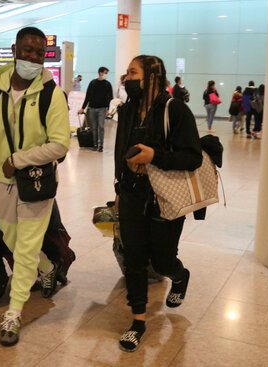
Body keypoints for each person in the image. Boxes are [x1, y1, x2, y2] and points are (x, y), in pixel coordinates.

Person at [0, 26, 70, 347]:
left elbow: (60, 145)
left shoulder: (51, 94)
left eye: (38, 52)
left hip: (35, 181)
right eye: (27, 50)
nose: (32, 57)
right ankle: (47, 267)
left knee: (27, 245)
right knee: (11, 236)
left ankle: (14, 313)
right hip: (0, 180)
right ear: (14, 50)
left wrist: (18, 159)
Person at [114, 55, 202, 352]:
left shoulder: (174, 109)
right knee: (134, 259)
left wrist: (154, 156)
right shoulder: (127, 111)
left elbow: (192, 157)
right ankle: (138, 321)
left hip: (164, 196)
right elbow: (120, 153)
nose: (127, 77)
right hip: (131, 194)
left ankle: (179, 275)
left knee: (162, 260)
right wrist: (118, 187)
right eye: (127, 73)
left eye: (133, 72)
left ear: (153, 76)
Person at [78, 67, 113, 152]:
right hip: (92, 108)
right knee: (94, 128)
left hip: (102, 109)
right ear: (100, 73)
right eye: (105, 73)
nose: (106, 75)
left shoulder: (107, 84)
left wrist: (109, 109)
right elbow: (88, 97)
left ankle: (101, 145)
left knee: (101, 126)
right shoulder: (93, 83)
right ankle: (95, 144)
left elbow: (110, 98)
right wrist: (83, 108)